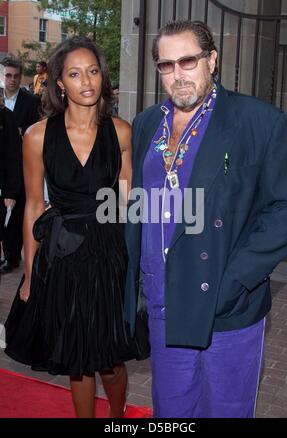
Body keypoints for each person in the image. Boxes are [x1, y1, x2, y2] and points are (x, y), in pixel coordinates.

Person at [124, 20, 287, 418]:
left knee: (226, 411)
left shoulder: (260, 122)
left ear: (212, 60)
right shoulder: (147, 124)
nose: (178, 74)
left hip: (224, 304)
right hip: (162, 302)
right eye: (166, 65)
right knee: (172, 412)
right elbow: (142, 205)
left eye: (188, 61)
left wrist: (233, 282)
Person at [4, 36, 134, 418]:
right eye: (75, 74)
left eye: (93, 71)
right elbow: (33, 205)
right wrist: (29, 272)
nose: (87, 81)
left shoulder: (121, 132)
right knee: (77, 356)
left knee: (110, 359)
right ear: (60, 82)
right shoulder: (37, 136)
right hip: (62, 255)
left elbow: (131, 204)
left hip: (110, 253)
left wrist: (140, 265)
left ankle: (117, 416)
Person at [0, 58, 40, 274]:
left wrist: (21, 133)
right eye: (8, 75)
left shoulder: (31, 102)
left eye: (16, 76)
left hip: (23, 164)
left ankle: (13, 256)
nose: (12, 80)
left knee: (15, 211)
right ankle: (8, 252)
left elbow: (37, 129)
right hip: (3, 163)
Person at [0, 94, 22, 274]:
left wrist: (11, 192)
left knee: (8, 230)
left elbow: (14, 156)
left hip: (3, 187)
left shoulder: (6, 116)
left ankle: (11, 257)